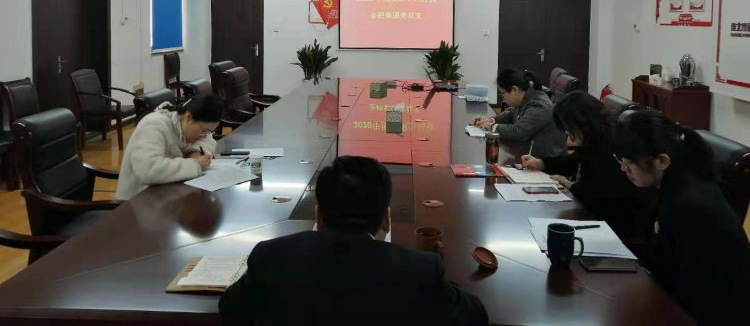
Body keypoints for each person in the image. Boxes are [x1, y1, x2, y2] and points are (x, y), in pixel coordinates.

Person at [219, 156, 488, 326]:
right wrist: (434, 267)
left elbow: (230, 310)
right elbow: (476, 316)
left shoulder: (270, 256)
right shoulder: (419, 270)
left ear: (319, 216)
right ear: (386, 219)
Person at [612, 110, 750, 326]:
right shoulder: (676, 184)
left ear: (661, 161)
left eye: (629, 163)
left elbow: (691, 292)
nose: (623, 169)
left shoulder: (690, 206)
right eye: (620, 161)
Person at [520, 92, 655, 243]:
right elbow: (575, 161)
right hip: (599, 218)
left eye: (568, 127)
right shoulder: (595, 138)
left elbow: (598, 194)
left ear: (583, 123)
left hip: (618, 229)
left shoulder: (611, 145)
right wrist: (542, 163)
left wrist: (570, 185)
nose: (566, 133)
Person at [115, 94, 222, 200]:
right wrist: (195, 165)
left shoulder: (182, 123)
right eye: (204, 130)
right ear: (189, 117)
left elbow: (208, 140)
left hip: (166, 195)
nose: (204, 135)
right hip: (138, 201)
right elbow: (149, 170)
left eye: (208, 132)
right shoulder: (153, 125)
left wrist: (195, 152)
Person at [473, 68, 566, 157]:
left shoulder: (539, 106)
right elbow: (511, 115)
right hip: (529, 154)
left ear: (514, 90)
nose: (503, 98)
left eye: (502, 94)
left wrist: (491, 126)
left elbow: (519, 132)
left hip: (547, 161)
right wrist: (490, 120)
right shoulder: (525, 95)